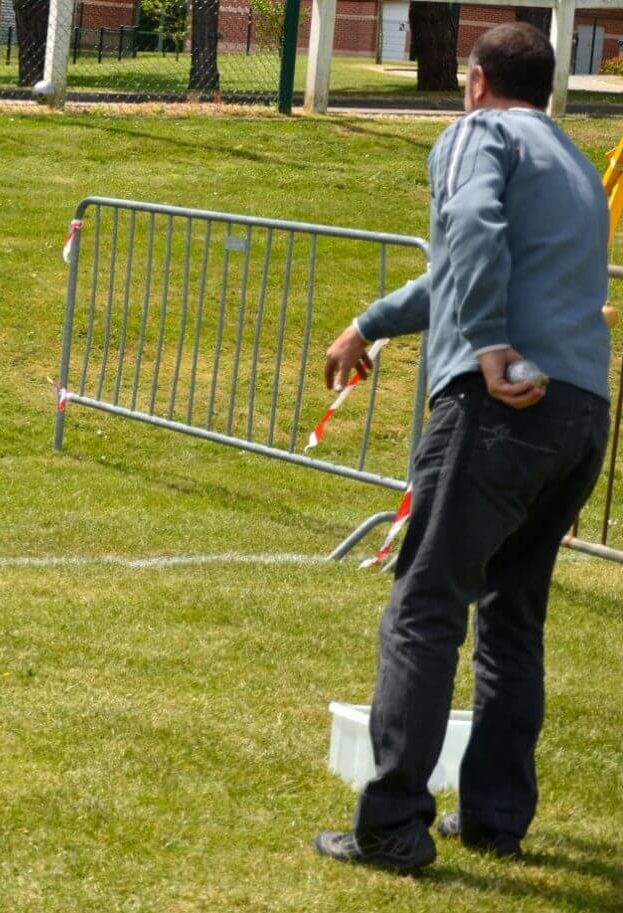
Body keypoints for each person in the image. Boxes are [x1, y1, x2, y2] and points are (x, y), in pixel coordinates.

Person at [314, 22, 610, 872]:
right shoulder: (575, 165)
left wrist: (483, 343)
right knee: (512, 619)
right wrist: (370, 323)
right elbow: (464, 263)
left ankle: (393, 825)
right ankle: (495, 818)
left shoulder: (474, 134)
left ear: (475, 81)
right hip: (578, 415)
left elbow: (472, 226)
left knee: (424, 607)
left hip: (499, 406)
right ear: (549, 86)